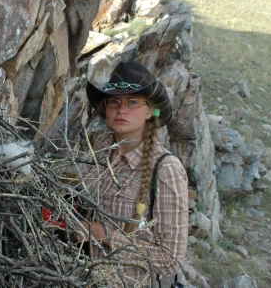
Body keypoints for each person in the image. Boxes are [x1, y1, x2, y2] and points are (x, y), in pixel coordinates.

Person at [77, 60, 189, 287]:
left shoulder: (166, 170)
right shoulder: (100, 147)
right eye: (114, 101)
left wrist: (106, 236)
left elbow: (170, 259)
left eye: (133, 102)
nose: (121, 109)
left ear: (150, 110)